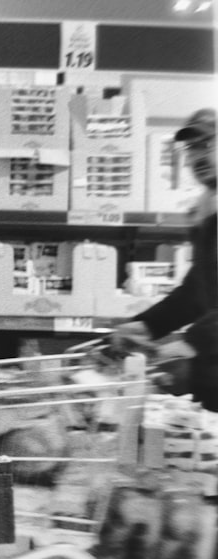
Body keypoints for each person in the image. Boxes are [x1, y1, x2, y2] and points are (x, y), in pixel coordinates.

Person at [111, 108, 217, 411]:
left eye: (207, 144)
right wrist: (147, 326)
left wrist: (193, 342)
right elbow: (198, 288)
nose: (197, 156)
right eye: (191, 148)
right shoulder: (208, 211)